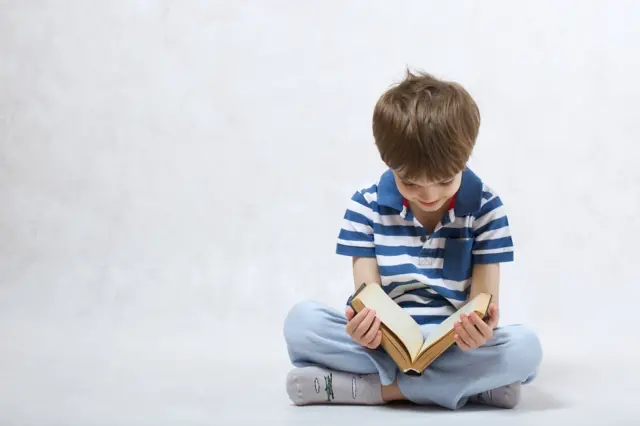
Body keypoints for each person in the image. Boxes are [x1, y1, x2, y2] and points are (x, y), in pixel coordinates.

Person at [283, 70, 542, 410]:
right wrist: (365, 329)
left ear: (464, 159)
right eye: (410, 183)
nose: (429, 195)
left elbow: (482, 303)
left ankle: (376, 390)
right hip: (387, 345)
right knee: (302, 323)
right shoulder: (366, 205)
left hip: (451, 346)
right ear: (388, 162)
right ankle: (470, 388)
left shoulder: (485, 208)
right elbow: (368, 296)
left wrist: (482, 330)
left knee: (526, 349)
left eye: (445, 180)